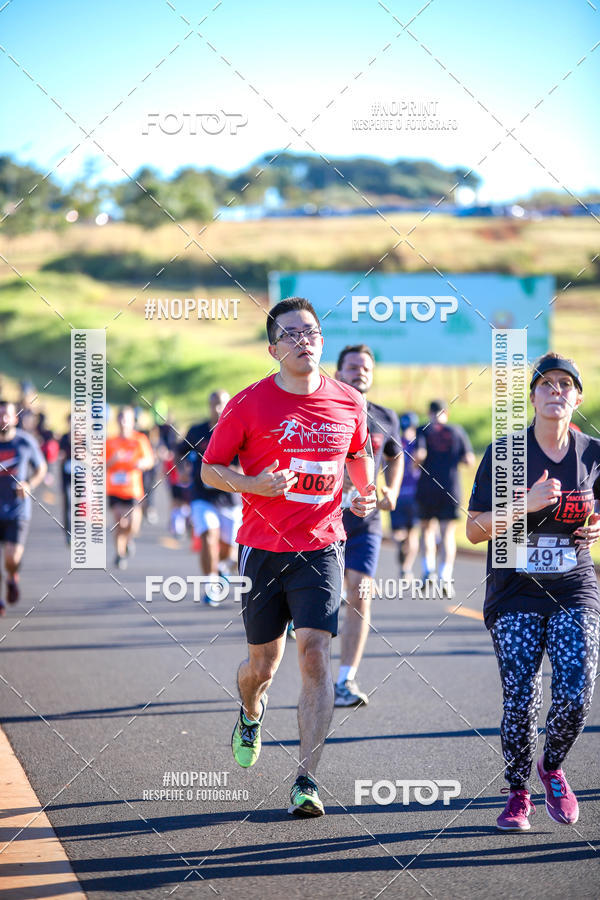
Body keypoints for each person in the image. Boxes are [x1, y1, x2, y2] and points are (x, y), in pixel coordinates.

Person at [201, 297, 377, 817]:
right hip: (262, 549)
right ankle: (250, 711)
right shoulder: (247, 403)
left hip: (321, 546)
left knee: (316, 653)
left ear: (321, 342)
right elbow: (211, 469)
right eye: (293, 334)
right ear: (273, 347)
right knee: (264, 664)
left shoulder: (348, 401)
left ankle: (306, 780)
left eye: (312, 332)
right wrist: (253, 482)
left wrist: (366, 492)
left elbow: (359, 454)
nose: (305, 340)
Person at [467, 353, 600, 832]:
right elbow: (475, 530)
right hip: (515, 589)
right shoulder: (504, 454)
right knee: (521, 698)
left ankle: (552, 765)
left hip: (574, 585)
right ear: (533, 396)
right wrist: (525, 504)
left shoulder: (594, 453)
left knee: (578, 685)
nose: (556, 391)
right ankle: (519, 791)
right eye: (546, 384)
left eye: (566, 384)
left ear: (577, 398)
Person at [334, 344, 403, 707]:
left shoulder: (384, 416)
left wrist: (389, 486)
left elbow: (395, 455)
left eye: (366, 367)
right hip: (320, 522)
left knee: (361, 593)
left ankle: (345, 679)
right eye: (352, 366)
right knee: (317, 600)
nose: (360, 371)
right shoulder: (323, 409)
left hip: (366, 521)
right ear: (337, 372)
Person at [182, 391, 244, 605]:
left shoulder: (237, 430)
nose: (218, 409)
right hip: (202, 497)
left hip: (230, 499)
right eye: (214, 404)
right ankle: (211, 585)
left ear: (229, 406)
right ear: (209, 405)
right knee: (208, 535)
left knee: (230, 551)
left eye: (222, 405)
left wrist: (228, 473)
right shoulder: (197, 431)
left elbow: (246, 463)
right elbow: (180, 453)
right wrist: (182, 469)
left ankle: (223, 569)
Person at [415, 399, 474, 596]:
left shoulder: (424, 430)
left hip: (426, 488)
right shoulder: (457, 431)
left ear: (429, 412)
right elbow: (469, 459)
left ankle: (427, 570)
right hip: (451, 488)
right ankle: (445, 575)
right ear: (446, 412)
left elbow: (420, 454)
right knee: (447, 533)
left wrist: (414, 465)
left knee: (427, 530)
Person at [0, 400, 47, 613]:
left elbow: (41, 468)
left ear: (15, 418)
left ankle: (11, 576)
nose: (2, 419)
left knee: (12, 557)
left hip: (18, 510)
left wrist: (30, 484)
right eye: (0, 415)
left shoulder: (25, 442)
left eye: (6, 415)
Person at [106, 406, 154, 569]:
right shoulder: (110, 442)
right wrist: (113, 460)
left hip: (133, 489)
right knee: (119, 521)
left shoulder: (139, 439)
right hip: (114, 488)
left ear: (132, 421)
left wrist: (142, 463)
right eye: (120, 419)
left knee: (133, 525)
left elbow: (150, 460)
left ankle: (128, 540)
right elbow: (101, 466)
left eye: (126, 419)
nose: (123, 422)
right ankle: (119, 554)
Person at [391, 412, 421, 580]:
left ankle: (400, 542)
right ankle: (407, 569)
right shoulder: (418, 444)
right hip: (415, 494)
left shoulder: (395, 443)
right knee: (413, 533)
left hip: (397, 493)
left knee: (397, 532)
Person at [58, 415, 72, 544]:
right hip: (67, 475)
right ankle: (69, 531)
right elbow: (59, 454)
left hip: (81, 477)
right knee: (68, 502)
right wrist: (61, 456)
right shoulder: (63, 438)